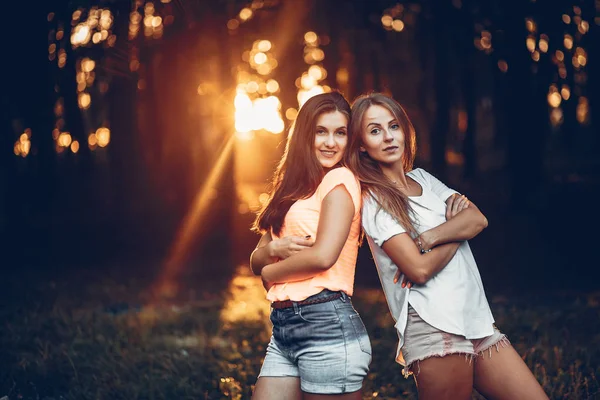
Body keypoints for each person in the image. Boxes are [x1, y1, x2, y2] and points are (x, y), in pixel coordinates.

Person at [346, 92, 548, 400]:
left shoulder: (424, 179)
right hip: (434, 324)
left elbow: (478, 220)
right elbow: (420, 269)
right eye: (375, 131)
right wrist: (455, 229)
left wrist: (428, 238)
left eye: (393, 126)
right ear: (361, 144)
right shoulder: (374, 200)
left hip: (474, 318)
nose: (388, 137)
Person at [249, 92, 371, 400]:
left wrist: (271, 273)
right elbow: (255, 258)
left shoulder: (340, 179)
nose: (330, 142)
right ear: (306, 135)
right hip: (284, 329)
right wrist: (275, 251)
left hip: (326, 324)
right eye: (321, 131)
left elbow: (323, 257)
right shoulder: (292, 189)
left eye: (340, 133)